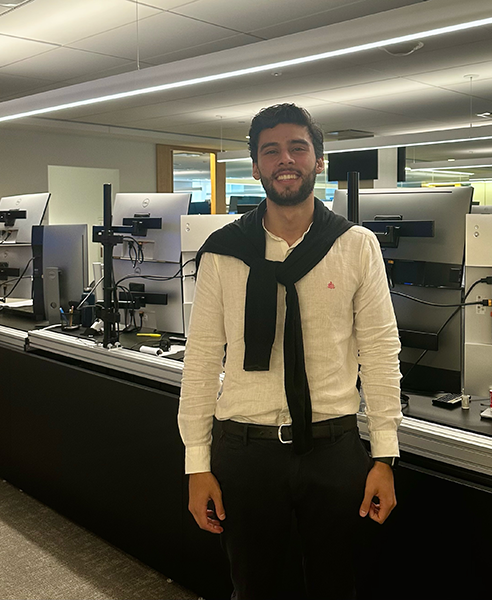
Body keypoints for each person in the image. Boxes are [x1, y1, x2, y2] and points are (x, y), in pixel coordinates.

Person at [178, 103, 402, 600]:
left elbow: (381, 353)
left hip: (333, 447)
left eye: (298, 147)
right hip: (244, 450)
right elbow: (200, 360)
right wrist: (197, 464)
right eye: (271, 151)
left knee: (334, 586)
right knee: (254, 588)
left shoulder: (356, 246)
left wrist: (385, 454)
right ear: (256, 166)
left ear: (318, 161)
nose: (286, 159)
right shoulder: (222, 252)